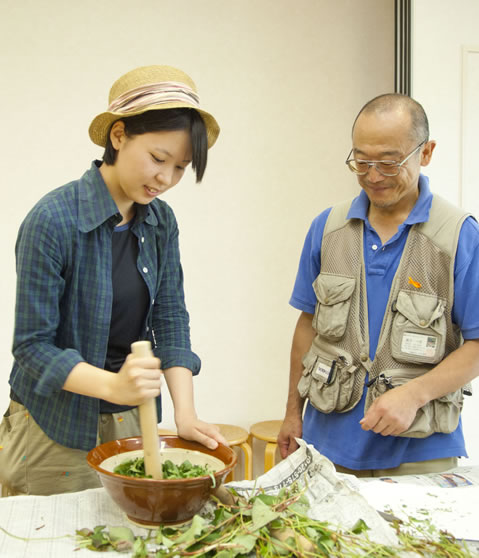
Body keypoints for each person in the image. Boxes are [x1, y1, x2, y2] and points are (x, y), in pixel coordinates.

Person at [0, 64, 227, 496]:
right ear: (118, 136)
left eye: (180, 167)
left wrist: (186, 412)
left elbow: (171, 318)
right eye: (159, 159)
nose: (166, 179)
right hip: (52, 428)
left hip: (129, 418)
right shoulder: (52, 220)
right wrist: (113, 385)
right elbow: (32, 346)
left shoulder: (161, 221)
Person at [278, 93, 479, 477]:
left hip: (420, 451)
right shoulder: (328, 228)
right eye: (362, 161)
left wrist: (414, 394)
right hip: (328, 445)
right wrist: (291, 412)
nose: (373, 175)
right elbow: (308, 325)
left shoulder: (459, 236)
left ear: (427, 152)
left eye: (389, 162)